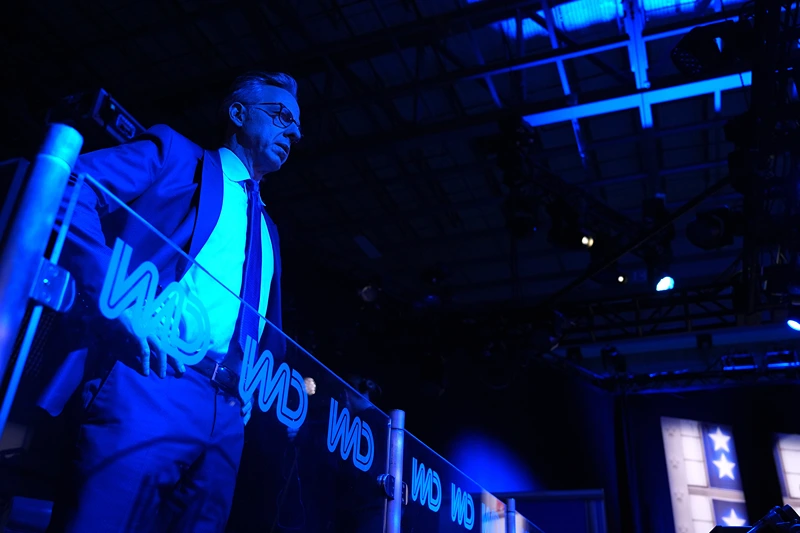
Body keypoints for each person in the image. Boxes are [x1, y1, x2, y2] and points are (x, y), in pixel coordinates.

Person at [44, 71, 301, 532]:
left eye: (297, 126)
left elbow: (267, 328)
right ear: (238, 114)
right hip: (153, 374)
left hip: (227, 416)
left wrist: (253, 386)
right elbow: (67, 184)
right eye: (282, 116)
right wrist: (115, 297)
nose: (294, 132)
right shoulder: (177, 158)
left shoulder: (270, 229)